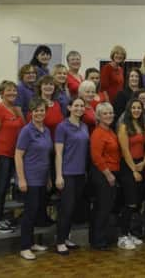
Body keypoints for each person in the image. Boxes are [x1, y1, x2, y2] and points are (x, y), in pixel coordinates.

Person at [15, 98, 52, 260]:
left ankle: (32, 243)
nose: (39, 113)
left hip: (43, 178)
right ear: (31, 112)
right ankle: (24, 247)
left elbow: (47, 156)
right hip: (30, 179)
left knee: (37, 212)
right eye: (36, 110)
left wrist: (49, 177)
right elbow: (18, 155)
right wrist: (21, 179)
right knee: (30, 213)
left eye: (42, 110)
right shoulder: (26, 131)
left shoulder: (47, 130)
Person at [54, 97, 89, 254]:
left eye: (82, 106)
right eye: (76, 106)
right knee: (66, 209)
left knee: (73, 208)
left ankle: (66, 237)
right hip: (67, 173)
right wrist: (59, 175)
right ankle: (60, 241)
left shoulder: (84, 126)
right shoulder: (62, 127)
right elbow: (58, 153)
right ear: (69, 107)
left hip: (81, 173)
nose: (79, 108)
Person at [0, 80, 24, 233]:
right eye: (8, 91)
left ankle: (1, 218)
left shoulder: (15, 109)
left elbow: (22, 126)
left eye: (14, 91)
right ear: (2, 93)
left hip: (11, 155)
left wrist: (19, 111)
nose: (12, 93)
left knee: (5, 188)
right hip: (1, 154)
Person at [89, 102, 121, 250]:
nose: (108, 116)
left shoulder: (110, 131)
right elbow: (96, 157)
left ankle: (100, 238)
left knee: (105, 208)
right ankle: (98, 241)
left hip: (111, 172)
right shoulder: (98, 133)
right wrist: (108, 174)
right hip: (103, 174)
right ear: (99, 116)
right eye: (105, 113)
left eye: (110, 113)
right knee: (102, 208)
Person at [117, 99, 145, 248]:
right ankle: (122, 235)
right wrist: (134, 170)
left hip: (141, 164)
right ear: (129, 109)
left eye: (139, 108)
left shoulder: (143, 125)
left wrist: (144, 161)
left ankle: (130, 233)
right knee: (130, 202)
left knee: (138, 201)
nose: (136, 110)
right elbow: (124, 150)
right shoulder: (124, 127)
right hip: (128, 165)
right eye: (134, 108)